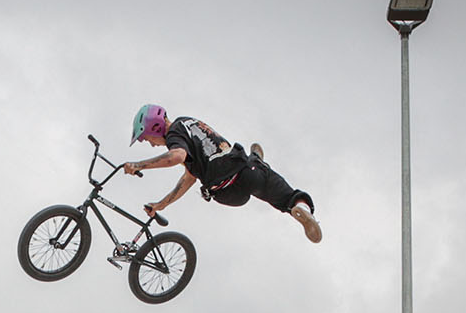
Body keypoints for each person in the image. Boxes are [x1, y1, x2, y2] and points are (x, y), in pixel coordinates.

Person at [123, 104, 321, 244]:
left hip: (224, 192)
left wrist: (138, 165)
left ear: (155, 128)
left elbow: (177, 157)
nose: (149, 143)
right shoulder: (188, 124)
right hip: (244, 172)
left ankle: (258, 162)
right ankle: (301, 206)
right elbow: (188, 177)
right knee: (282, 193)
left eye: (147, 138)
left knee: (254, 174)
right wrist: (160, 205)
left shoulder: (175, 135)